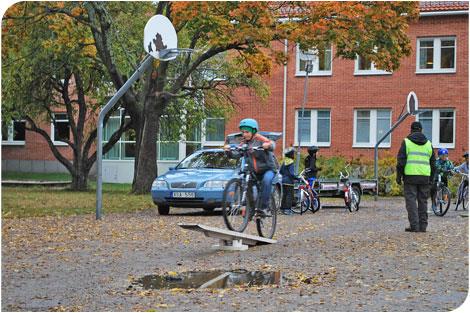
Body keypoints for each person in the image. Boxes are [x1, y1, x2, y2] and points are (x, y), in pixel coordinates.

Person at [224, 118, 276, 217]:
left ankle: (264, 208)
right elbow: (236, 154)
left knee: (266, 181)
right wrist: (228, 151)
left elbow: (272, 144)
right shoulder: (244, 143)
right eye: (243, 132)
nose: (244, 134)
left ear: (253, 131)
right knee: (247, 185)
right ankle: (251, 210)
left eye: (247, 132)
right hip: (253, 172)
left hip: (267, 170)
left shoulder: (260, 139)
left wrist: (267, 145)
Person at [396, 121, 436, 232]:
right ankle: (423, 226)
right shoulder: (429, 144)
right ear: (421, 130)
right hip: (425, 177)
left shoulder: (406, 142)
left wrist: (399, 176)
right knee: (423, 201)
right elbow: (433, 164)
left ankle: (414, 225)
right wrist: (431, 179)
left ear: (411, 130)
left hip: (410, 177)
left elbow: (401, 161)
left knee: (411, 201)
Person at [279, 147, 298, 215]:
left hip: (283, 181)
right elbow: (292, 173)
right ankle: (287, 210)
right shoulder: (291, 162)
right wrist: (297, 178)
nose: (294, 155)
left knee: (284, 195)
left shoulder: (285, 161)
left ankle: (282, 209)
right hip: (289, 182)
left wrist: (285, 175)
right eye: (293, 154)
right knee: (289, 196)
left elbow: (280, 171)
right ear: (291, 155)